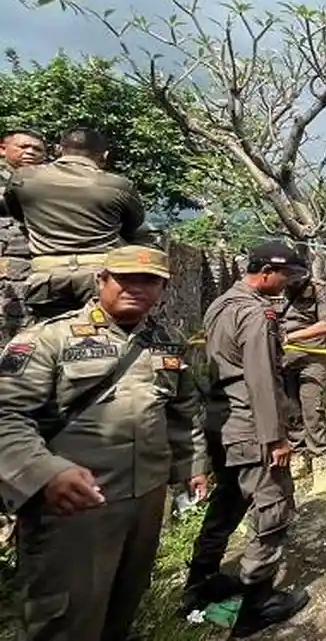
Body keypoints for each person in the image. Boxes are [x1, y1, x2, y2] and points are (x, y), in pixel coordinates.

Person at [0, 245, 209, 641]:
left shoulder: (167, 340)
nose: (136, 287)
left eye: (149, 280)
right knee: (66, 617)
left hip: (146, 501)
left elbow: (183, 410)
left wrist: (193, 467)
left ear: (163, 288)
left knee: (123, 603)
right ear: (102, 281)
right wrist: (46, 473)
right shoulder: (48, 340)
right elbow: (7, 416)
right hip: (72, 506)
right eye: (125, 278)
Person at [182, 241, 311, 638]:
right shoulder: (256, 313)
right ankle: (256, 603)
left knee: (228, 502)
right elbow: (261, 380)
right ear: (266, 271)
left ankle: (199, 587)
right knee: (272, 508)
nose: (288, 282)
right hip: (251, 427)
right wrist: (276, 439)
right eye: (286, 275)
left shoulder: (220, 304)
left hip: (220, 423)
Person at [3, 128, 151, 322]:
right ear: (104, 156)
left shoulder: (24, 178)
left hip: (47, 275)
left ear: (58, 149)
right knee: (105, 340)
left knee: (49, 335)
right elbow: (133, 225)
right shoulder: (119, 185)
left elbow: (16, 212)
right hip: (100, 276)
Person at [275, 277, 326, 495]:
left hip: (312, 359)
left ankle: (320, 464)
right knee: (290, 411)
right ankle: (298, 457)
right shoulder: (275, 286)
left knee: (313, 410)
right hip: (282, 360)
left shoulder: (320, 288)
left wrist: (289, 337)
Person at [0, 128, 46, 344]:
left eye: (37, 149)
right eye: (23, 147)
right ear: (3, 149)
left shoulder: (48, 180)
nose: (30, 152)